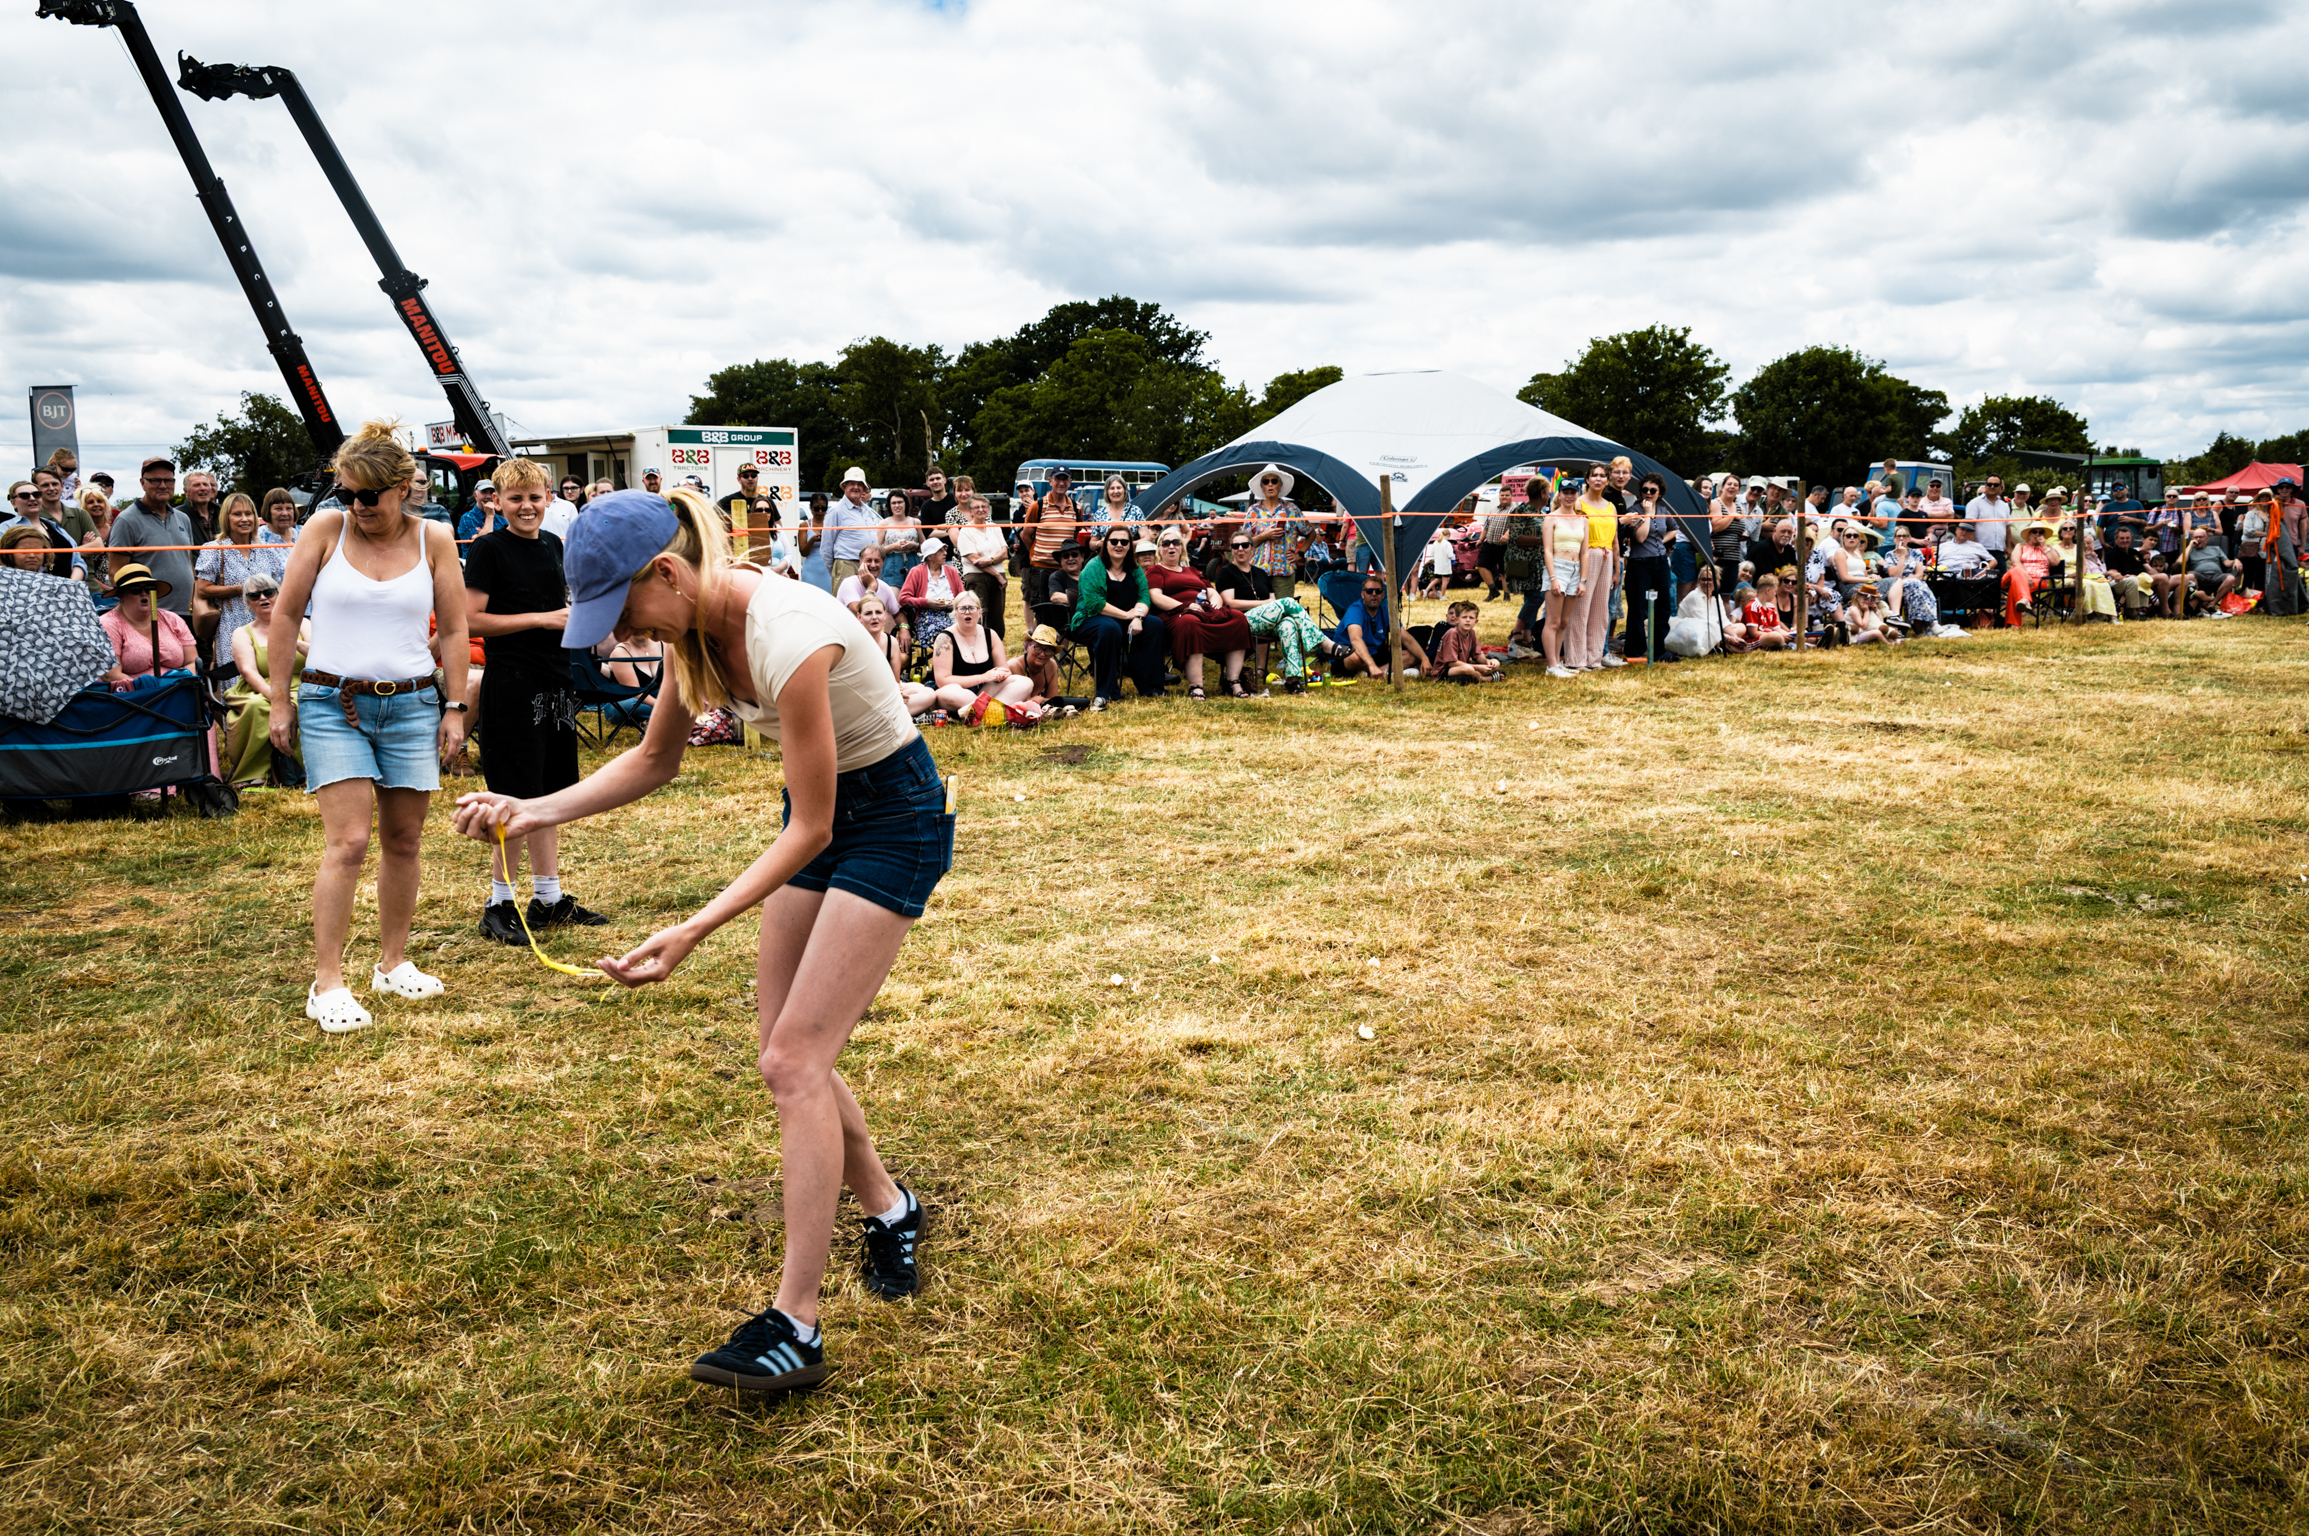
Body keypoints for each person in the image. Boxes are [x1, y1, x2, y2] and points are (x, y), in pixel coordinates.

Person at [450, 488, 948, 1395]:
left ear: (669, 574)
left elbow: (813, 828)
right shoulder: (693, 638)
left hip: (894, 820)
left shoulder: (789, 633)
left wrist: (690, 929)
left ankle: (795, 1324)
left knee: (793, 1061)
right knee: (786, 1052)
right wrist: (529, 810)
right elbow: (652, 761)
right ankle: (889, 1204)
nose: (622, 635)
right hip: (823, 816)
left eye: (625, 611)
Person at [269, 420, 468, 1035]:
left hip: (411, 703)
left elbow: (456, 629)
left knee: (404, 841)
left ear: (405, 487)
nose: (355, 508)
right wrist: (280, 699)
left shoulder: (436, 538)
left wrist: (455, 707)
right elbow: (283, 614)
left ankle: (393, 962)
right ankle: (326, 982)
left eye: (367, 496)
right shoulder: (325, 530)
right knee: (350, 841)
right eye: (344, 495)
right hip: (333, 700)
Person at [463, 456, 606, 944]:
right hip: (512, 681)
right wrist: (542, 619)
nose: (527, 506)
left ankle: (548, 897)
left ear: (549, 499)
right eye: (516, 498)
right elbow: (470, 621)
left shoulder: (554, 545)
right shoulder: (488, 549)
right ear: (498, 503)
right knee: (514, 793)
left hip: (555, 680)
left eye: (534, 497)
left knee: (550, 793)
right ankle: (498, 903)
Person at [1212, 533, 1330, 693]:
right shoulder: (1226, 572)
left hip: (1265, 623)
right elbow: (1229, 603)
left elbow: (1273, 600)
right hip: (1241, 622)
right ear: (1231, 550)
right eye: (1235, 546)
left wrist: (1269, 605)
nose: (1240, 549)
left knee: (1288, 624)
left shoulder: (1260, 573)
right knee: (1288, 602)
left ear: (1252, 549)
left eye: (1245, 545)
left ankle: (1293, 680)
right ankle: (1323, 643)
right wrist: (1263, 603)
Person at [220, 571, 307, 785]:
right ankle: (254, 773)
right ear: (247, 603)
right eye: (254, 596)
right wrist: (277, 699)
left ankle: (306, 769)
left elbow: (319, 655)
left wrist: (290, 638)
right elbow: (248, 672)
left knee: (307, 702)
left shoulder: (302, 623)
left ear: (279, 594)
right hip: (259, 687)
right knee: (257, 706)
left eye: (268, 592)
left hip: (301, 683)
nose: (262, 598)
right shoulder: (242, 633)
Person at [1144, 527, 1251, 699]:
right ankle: (1196, 685)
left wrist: (1215, 605)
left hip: (1203, 610)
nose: (1171, 546)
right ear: (1160, 549)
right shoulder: (1156, 570)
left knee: (1238, 618)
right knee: (1190, 622)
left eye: (1176, 542)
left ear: (1181, 548)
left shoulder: (1192, 571)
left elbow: (1212, 591)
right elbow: (1155, 597)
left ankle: (1233, 681)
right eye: (1166, 543)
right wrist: (1184, 607)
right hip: (1176, 614)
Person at [1072, 525, 1166, 706]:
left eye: (1124, 542)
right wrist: (1127, 616)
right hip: (1090, 619)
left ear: (1130, 545)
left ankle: (1152, 688)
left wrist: (1138, 618)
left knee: (1154, 625)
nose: (1119, 545)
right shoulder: (1093, 567)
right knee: (1109, 628)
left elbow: (1144, 596)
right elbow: (1094, 604)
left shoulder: (1135, 568)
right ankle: (1108, 691)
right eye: (1114, 541)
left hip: (1126, 619)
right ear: (1105, 544)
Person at [194, 493, 283, 665]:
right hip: (232, 626)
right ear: (226, 518)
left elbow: (278, 585)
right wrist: (242, 589)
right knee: (239, 677)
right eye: (237, 514)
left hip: (268, 625)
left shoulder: (267, 549)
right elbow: (202, 589)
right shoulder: (214, 549)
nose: (244, 519)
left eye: (248, 514)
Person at [107, 458, 197, 626]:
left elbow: (188, 563)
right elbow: (115, 573)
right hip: (151, 617)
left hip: (187, 613)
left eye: (168, 480)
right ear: (142, 483)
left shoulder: (183, 519)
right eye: (155, 480)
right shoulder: (126, 520)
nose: (163, 485)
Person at [925, 591, 1029, 717]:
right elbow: (943, 681)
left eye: (972, 608)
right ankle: (994, 712)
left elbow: (1005, 671)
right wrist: (983, 677)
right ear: (956, 613)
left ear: (980, 613)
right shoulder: (945, 639)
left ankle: (983, 713)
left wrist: (1000, 674)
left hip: (985, 691)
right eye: (962, 608)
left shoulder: (991, 635)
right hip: (958, 693)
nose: (967, 612)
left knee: (1024, 682)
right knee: (950, 692)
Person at [99, 563, 197, 686]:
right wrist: (152, 688)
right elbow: (111, 675)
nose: (144, 593)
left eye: (150, 589)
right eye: (136, 590)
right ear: (121, 595)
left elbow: (192, 662)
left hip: (178, 691)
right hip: (135, 697)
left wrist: (181, 683)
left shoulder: (173, 619)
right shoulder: (108, 624)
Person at [1570, 463, 1622, 669]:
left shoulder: (1611, 507)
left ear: (1607, 481)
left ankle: (1594, 658)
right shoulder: (1579, 504)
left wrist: (1617, 570)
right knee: (1580, 609)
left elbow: (1615, 539)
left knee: (1601, 611)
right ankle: (1576, 659)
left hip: (1607, 556)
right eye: (1594, 475)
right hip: (1587, 554)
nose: (1598, 479)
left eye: (1602, 476)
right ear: (1588, 479)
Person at [1619, 472, 1674, 663]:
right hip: (1639, 563)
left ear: (1660, 492)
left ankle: (1658, 650)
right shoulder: (1634, 510)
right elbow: (1640, 537)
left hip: (1660, 562)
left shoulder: (1664, 509)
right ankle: (1634, 649)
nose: (1648, 493)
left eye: (1653, 490)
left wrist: (1661, 541)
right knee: (1638, 608)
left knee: (1663, 607)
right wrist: (1648, 514)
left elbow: (1674, 528)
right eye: (1645, 490)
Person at [1227, 465, 1301, 598]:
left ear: (1280, 485)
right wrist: (1264, 536)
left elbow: (1311, 533)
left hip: (1283, 570)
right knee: (1258, 608)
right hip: (1257, 570)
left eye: (1274, 481)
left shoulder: (1292, 510)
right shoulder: (1253, 511)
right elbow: (1243, 542)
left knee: (1283, 609)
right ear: (1262, 486)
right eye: (1266, 481)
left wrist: (1299, 554)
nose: (1270, 484)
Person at [1540, 482, 1590, 678]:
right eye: (1565, 492)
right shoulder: (1551, 518)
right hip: (1558, 568)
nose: (1569, 496)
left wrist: (1583, 580)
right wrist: (1553, 578)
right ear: (1559, 494)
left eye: (1573, 493)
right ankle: (1551, 665)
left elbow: (1585, 552)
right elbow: (1547, 550)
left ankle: (1557, 662)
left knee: (1563, 621)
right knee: (1552, 621)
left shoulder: (1583, 520)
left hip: (1576, 570)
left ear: (1578, 494)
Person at [951, 495, 1010, 637]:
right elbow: (974, 560)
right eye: (976, 507)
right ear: (970, 511)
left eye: (983, 507)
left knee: (997, 617)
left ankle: (995, 648)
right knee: (978, 615)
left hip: (998, 578)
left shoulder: (995, 528)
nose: (980, 510)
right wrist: (996, 574)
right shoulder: (966, 531)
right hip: (977, 577)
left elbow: (1005, 552)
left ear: (988, 510)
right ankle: (977, 649)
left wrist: (990, 560)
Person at [5, 480, 85, 583]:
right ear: (13, 503)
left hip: (65, 592)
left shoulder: (56, 528)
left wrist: (70, 583)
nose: (32, 498)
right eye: (24, 496)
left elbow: (78, 562)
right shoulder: (4, 529)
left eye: (37, 495)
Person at [1023, 471, 1079, 609]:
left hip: (1067, 567)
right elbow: (1025, 535)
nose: (1061, 483)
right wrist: (1040, 552)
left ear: (1070, 482)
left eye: (1065, 479)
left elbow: (1075, 534)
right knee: (1041, 608)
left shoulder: (1077, 508)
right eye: (1057, 479)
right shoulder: (1038, 506)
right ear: (1050, 481)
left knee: (1067, 606)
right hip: (1042, 568)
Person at [897, 536, 963, 653]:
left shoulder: (951, 571)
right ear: (930, 556)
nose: (945, 553)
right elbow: (903, 599)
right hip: (926, 615)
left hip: (952, 613)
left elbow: (962, 596)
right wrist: (926, 603)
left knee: (966, 626)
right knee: (946, 631)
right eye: (941, 551)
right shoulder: (916, 572)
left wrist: (954, 604)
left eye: (945, 550)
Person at [824, 468, 880, 588]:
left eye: (859, 484)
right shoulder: (836, 511)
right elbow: (826, 546)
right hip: (846, 564)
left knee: (867, 603)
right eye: (852, 483)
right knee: (846, 605)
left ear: (864, 488)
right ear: (844, 486)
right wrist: (836, 569)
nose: (856, 487)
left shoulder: (867, 510)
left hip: (869, 565)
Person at [1666, 563, 1733, 657]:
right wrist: (1728, 638)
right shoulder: (1695, 596)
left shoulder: (1716, 596)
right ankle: (1722, 644)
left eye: (1709, 579)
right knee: (1704, 636)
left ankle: (1722, 643)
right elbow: (1705, 625)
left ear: (1716, 581)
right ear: (1699, 581)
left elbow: (1724, 621)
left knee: (1741, 627)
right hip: (1691, 634)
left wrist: (1734, 636)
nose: (1706, 583)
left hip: (1713, 631)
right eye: (1703, 579)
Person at [837, 544, 904, 632]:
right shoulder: (849, 583)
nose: (873, 565)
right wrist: (871, 585)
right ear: (861, 562)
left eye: (877, 561)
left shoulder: (884, 587)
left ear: (882, 563)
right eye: (869, 560)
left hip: (872, 636)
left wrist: (904, 628)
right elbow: (862, 611)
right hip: (849, 634)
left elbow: (898, 614)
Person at [1430, 600, 1501, 681]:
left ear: (1476, 621)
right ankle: (1484, 678)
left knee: (1496, 663)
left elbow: (1477, 655)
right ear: (1457, 620)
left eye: (1471, 618)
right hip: (1445, 670)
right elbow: (1451, 663)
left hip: (1463, 666)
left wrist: (1487, 662)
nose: (1467, 620)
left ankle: (1477, 674)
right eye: (1464, 617)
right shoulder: (1452, 634)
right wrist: (1479, 667)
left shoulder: (1472, 633)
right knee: (1468, 669)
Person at [2184, 526, 2242, 613]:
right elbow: (2180, 563)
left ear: (2206, 538)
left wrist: (2236, 560)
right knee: (2189, 576)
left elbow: (2227, 563)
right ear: (2192, 539)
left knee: (2230, 578)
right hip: (2198, 576)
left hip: (2217, 576)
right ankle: (2198, 604)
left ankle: (2212, 604)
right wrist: (2189, 547)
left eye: (2201, 537)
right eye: (2196, 537)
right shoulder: (2189, 550)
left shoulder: (2216, 549)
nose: (2198, 539)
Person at [1707, 475, 1746, 593]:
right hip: (1718, 558)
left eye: (1735, 485)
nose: (1732, 487)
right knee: (1713, 594)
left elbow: (1741, 528)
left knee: (1727, 595)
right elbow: (1715, 527)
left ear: (1739, 490)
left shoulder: (1740, 508)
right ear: (1722, 487)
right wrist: (1732, 515)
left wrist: (1743, 535)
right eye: (1729, 484)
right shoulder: (1715, 503)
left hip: (1734, 558)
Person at [877, 492, 923, 584]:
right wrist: (893, 546)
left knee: (915, 595)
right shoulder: (883, 523)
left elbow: (925, 548)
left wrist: (914, 545)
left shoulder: (915, 522)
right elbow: (876, 550)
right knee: (894, 596)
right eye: (893, 503)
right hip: (891, 564)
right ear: (889, 506)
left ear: (906, 503)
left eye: (900, 502)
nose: (897, 505)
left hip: (913, 562)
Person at [1965, 475, 2010, 568]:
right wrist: (1974, 549)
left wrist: (2008, 547)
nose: (1992, 486)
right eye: (1989, 484)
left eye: (1995, 484)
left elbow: (2007, 527)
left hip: (1999, 551)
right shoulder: (1974, 503)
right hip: (1981, 551)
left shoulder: (2004, 506)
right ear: (1985, 486)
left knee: (2000, 581)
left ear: (2001, 487)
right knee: (1981, 580)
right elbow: (1969, 526)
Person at [1740, 573, 1792, 649]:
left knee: (1795, 635)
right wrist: (1778, 635)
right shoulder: (1752, 606)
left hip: (1772, 635)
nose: (1775, 594)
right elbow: (1753, 633)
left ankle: (1795, 645)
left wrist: (1787, 635)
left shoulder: (1771, 607)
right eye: (1775, 591)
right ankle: (1786, 647)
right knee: (1775, 636)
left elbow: (1777, 628)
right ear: (1768, 590)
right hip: (1752, 641)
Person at [181, 469, 223, 545]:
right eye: (196, 485)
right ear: (186, 491)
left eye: (205, 484)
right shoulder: (177, 516)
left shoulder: (223, 513)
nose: (202, 488)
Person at [719, 463, 765, 530]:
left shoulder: (766, 501)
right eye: (745, 476)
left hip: (761, 539)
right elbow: (711, 518)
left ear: (757, 478)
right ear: (738, 479)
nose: (750, 478)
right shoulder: (728, 501)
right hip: (736, 539)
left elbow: (777, 525)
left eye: (753, 475)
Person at [457, 479, 501, 545]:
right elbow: (483, 544)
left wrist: (482, 533)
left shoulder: (502, 520)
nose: (488, 496)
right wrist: (489, 516)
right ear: (475, 495)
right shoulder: (467, 518)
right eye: (484, 492)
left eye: (491, 492)